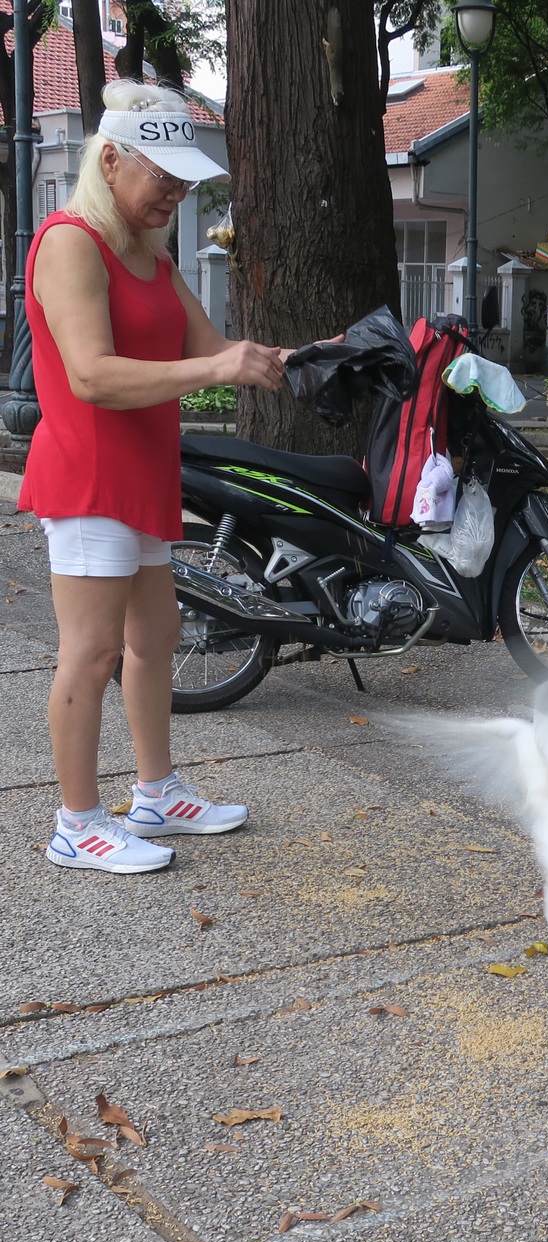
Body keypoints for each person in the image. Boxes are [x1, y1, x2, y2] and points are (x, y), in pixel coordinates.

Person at [19, 80, 289, 875]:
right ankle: (75, 822)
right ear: (109, 160)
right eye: (161, 175)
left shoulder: (151, 253)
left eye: (183, 178)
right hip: (89, 474)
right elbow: (93, 377)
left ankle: (156, 790)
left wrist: (297, 360)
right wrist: (216, 362)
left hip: (142, 471)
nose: (175, 191)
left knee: (156, 637)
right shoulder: (70, 242)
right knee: (92, 652)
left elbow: (212, 347)